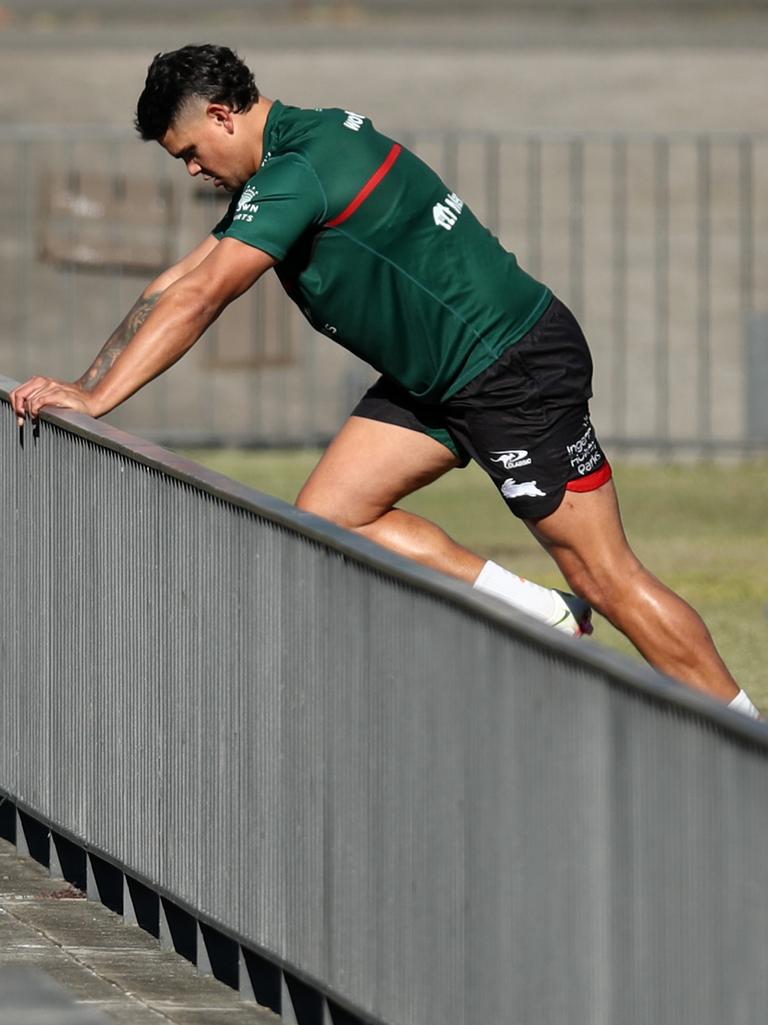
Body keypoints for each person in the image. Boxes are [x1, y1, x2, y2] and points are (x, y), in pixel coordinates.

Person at [10, 44, 760, 718]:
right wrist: (82, 384)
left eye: (191, 153)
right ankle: (538, 610)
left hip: (511, 367)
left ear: (221, 115)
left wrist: (101, 401)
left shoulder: (299, 170)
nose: (193, 171)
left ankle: (746, 738)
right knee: (333, 513)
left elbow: (206, 297)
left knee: (608, 576)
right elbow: (179, 281)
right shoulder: (296, 152)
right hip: (437, 376)